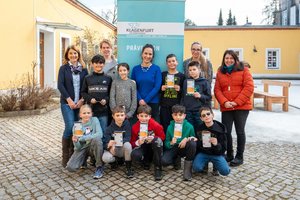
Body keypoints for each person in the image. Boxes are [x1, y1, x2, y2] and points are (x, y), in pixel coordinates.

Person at [214, 50, 254, 167]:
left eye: (231, 58)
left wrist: (236, 102)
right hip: (226, 107)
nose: (229, 60)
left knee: (240, 131)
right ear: (223, 59)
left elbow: (249, 87)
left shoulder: (244, 70)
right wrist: (224, 102)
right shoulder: (220, 72)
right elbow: (217, 89)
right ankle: (229, 154)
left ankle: (239, 156)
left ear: (236, 59)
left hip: (241, 106)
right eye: (226, 58)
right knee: (226, 131)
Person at [58, 45, 88, 167]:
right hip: (67, 103)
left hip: (80, 103)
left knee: (78, 129)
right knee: (70, 126)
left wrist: (81, 100)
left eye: (75, 53)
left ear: (78, 55)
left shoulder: (84, 69)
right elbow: (60, 85)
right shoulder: (63, 68)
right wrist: (69, 100)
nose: (73, 56)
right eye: (71, 54)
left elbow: (87, 86)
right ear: (67, 55)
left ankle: (75, 155)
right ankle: (66, 156)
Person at [66, 104, 104, 179]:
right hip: (82, 148)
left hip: (92, 145)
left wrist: (83, 138)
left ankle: (99, 166)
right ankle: (83, 160)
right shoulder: (77, 126)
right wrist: (76, 141)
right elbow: (78, 147)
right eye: (84, 113)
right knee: (71, 167)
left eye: (88, 113)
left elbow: (99, 134)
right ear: (80, 115)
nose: (86, 115)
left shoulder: (94, 120)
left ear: (91, 114)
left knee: (97, 140)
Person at [161, 105, 196, 181]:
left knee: (192, 144)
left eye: (180, 115)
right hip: (174, 147)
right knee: (164, 161)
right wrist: (171, 142)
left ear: (184, 116)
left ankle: (187, 170)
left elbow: (194, 138)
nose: (178, 117)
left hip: (184, 147)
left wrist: (186, 139)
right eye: (175, 115)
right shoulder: (170, 127)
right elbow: (166, 142)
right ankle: (176, 159)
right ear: (172, 116)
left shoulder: (190, 126)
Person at [130, 105, 165, 181]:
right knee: (135, 155)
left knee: (156, 142)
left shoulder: (155, 125)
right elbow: (132, 142)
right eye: (141, 116)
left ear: (150, 116)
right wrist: (138, 142)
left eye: (146, 116)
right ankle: (145, 161)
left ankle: (158, 168)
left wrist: (153, 138)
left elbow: (162, 137)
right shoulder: (135, 127)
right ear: (137, 116)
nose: (143, 118)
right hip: (143, 146)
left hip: (153, 147)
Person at [193, 107, 230, 176]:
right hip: (204, 153)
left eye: (208, 114)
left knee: (225, 171)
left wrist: (216, 144)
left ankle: (216, 166)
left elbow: (224, 149)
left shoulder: (221, 129)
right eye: (203, 115)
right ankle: (205, 164)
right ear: (201, 119)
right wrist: (196, 140)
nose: (206, 116)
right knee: (196, 168)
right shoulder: (199, 128)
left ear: (212, 115)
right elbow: (198, 146)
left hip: (217, 154)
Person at [81, 54, 112, 133]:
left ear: (104, 64)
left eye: (101, 63)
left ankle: (103, 146)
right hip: (90, 112)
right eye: (96, 63)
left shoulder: (108, 78)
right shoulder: (87, 78)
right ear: (92, 64)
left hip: (103, 111)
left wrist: (106, 99)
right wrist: (90, 99)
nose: (98, 65)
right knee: (90, 132)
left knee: (104, 131)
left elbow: (111, 94)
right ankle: (90, 145)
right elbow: (83, 92)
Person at [131, 44, 162, 122]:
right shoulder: (135, 69)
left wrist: (146, 100)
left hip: (153, 102)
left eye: (150, 54)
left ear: (153, 56)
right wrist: (140, 99)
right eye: (145, 53)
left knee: (154, 126)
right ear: (142, 54)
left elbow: (157, 87)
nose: (147, 56)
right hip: (139, 102)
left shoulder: (156, 69)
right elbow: (133, 86)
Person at [102, 105, 134, 178]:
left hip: (122, 148)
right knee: (105, 158)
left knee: (128, 145)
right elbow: (104, 143)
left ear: (125, 116)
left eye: (122, 115)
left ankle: (128, 167)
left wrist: (119, 143)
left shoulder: (127, 125)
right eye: (117, 115)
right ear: (113, 116)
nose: (120, 117)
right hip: (113, 150)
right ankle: (114, 162)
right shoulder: (109, 128)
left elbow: (128, 138)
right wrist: (108, 146)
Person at [181, 61, 212, 131]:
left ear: (199, 70)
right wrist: (183, 109)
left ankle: (199, 142)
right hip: (188, 111)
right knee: (190, 130)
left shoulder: (204, 82)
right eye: (190, 70)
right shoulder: (186, 81)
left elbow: (209, 97)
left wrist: (200, 96)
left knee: (200, 129)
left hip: (199, 111)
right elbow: (183, 96)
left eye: (194, 69)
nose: (192, 72)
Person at [160, 54, 185, 133]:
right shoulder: (163, 74)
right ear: (167, 64)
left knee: (177, 125)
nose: (171, 63)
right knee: (165, 125)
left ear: (177, 62)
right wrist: (161, 88)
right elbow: (157, 88)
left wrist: (180, 89)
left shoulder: (182, 76)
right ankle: (166, 143)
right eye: (169, 61)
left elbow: (185, 92)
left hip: (177, 106)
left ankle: (176, 142)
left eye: (173, 61)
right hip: (165, 105)